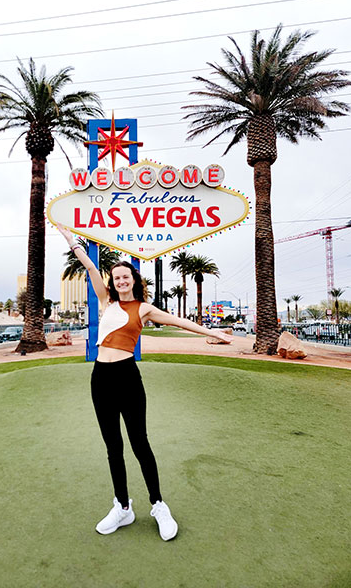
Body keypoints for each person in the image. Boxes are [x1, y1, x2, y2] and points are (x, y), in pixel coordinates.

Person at [57, 223, 233, 541]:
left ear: (134, 280)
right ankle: (123, 507)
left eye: (127, 276)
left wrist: (215, 332)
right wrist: (70, 239)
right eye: (117, 277)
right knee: (113, 446)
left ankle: (158, 505)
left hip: (128, 378)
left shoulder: (145, 308)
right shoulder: (105, 300)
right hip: (101, 379)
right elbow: (88, 264)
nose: (121, 280)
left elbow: (180, 321)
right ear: (113, 282)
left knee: (140, 444)